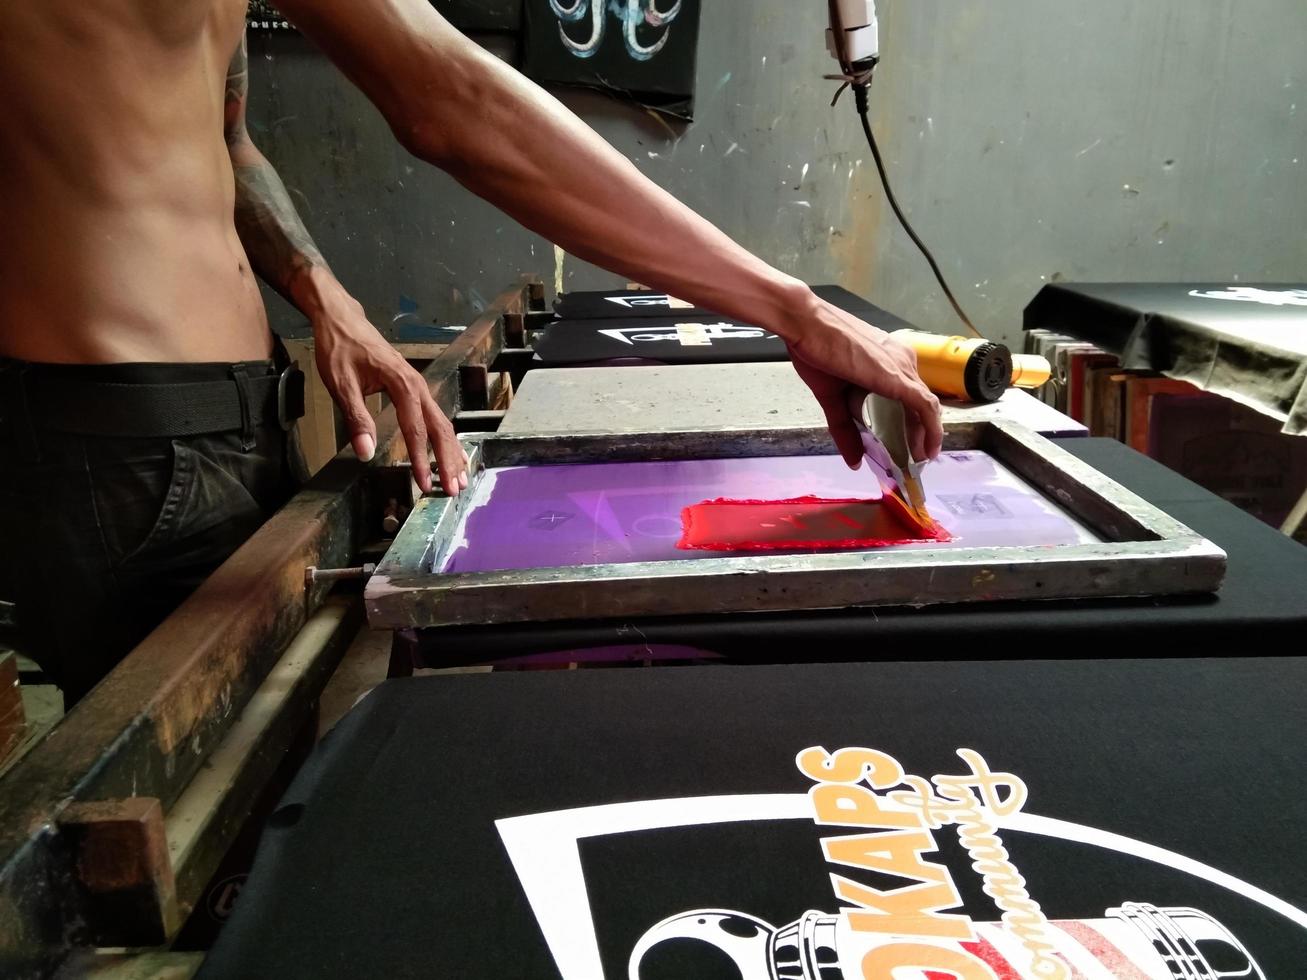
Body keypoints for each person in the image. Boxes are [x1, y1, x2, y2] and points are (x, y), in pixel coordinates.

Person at [0, 0, 941, 704]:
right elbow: (450, 101)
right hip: (115, 437)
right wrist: (789, 306)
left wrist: (324, 292)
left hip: (231, 408)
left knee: (271, 786)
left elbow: (222, 133)